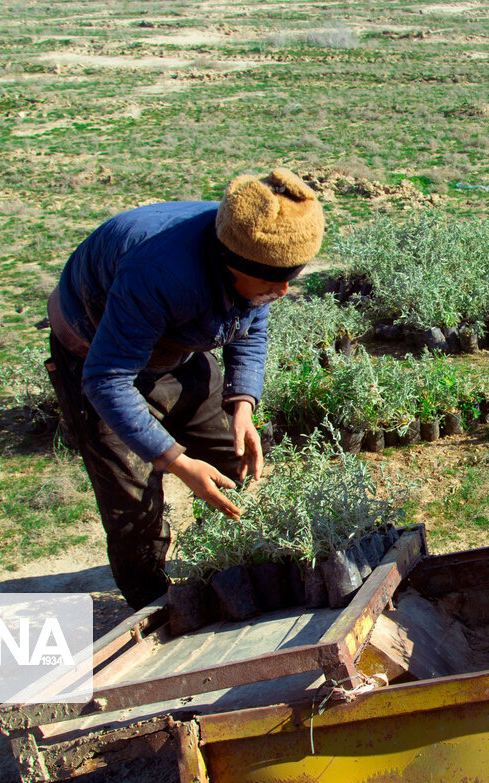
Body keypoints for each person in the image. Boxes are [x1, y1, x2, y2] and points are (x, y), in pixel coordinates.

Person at [45, 169, 324, 609]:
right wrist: (175, 460)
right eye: (275, 279)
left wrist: (243, 403)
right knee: (133, 499)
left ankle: (234, 564)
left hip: (175, 344)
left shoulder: (251, 242)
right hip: (98, 354)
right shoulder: (160, 272)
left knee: (230, 457)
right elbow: (106, 378)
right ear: (233, 266)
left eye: (292, 275)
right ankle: (154, 605)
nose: (285, 289)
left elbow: (252, 321)